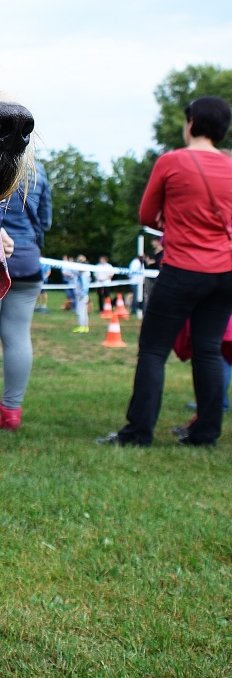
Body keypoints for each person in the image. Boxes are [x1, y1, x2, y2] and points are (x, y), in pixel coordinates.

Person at [98, 95, 232, 447]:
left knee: (154, 351)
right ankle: (205, 433)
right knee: (209, 349)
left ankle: (138, 433)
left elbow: (147, 215)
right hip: (225, 273)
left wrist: (173, 221)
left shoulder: (172, 162)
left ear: (191, 123)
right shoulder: (230, 166)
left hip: (184, 268)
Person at [0, 159, 52, 432]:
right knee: (19, 336)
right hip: (28, 260)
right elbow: (45, 220)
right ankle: (12, 411)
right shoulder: (38, 170)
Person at [73, 255, 91, 332]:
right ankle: (84, 326)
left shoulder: (84, 275)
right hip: (80, 295)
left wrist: (82, 294)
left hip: (82, 295)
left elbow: (85, 287)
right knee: (83, 311)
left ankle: (82, 326)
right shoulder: (82, 274)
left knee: (81, 311)